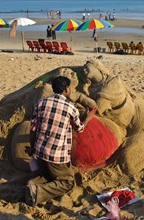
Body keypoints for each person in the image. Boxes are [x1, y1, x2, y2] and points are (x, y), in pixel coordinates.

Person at [25, 76, 97, 206]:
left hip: (40, 153)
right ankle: (37, 192)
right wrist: (88, 118)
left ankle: (32, 183)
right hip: (56, 157)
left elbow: (33, 130)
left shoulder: (40, 103)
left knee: (49, 174)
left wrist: (33, 149)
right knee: (68, 183)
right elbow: (79, 129)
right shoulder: (70, 108)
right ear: (66, 89)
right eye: (69, 87)